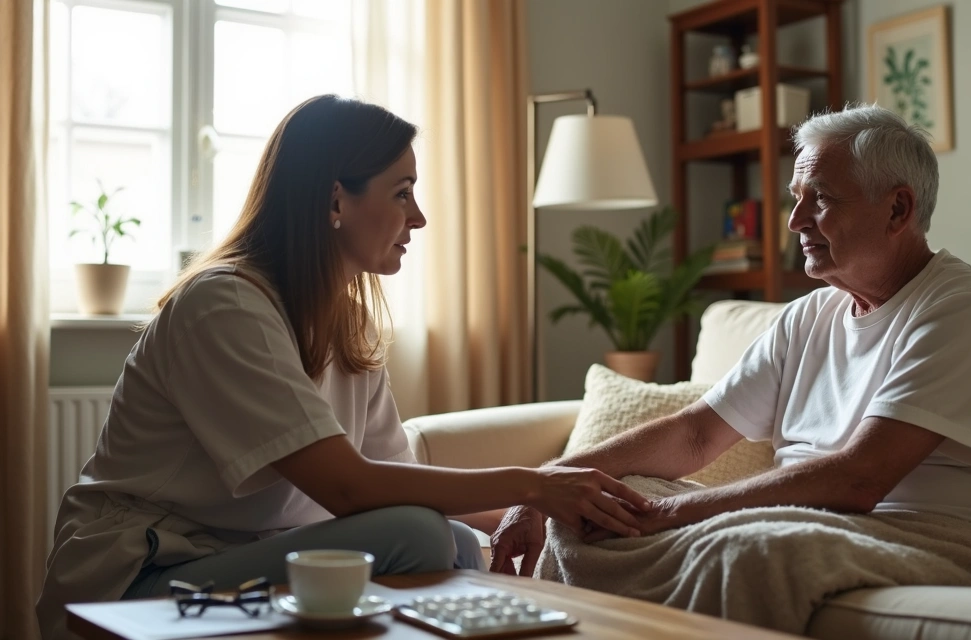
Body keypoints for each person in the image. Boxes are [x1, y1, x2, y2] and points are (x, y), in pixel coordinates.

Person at [37, 95, 650, 640]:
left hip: (240, 560)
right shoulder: (223, 305)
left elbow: (395, 477)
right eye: (402, 192)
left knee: (455, 537)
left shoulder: (347, 320)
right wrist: (534, 482)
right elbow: (350, 487)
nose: (420, 218)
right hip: (142, 578)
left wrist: (546, 512)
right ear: (336, 198)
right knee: (419, 537)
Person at [491, 104, 971, 577]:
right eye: (796, 197)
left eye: (822, 200)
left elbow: (859, 478)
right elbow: (694, 436)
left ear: (898, 208)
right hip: (824, 520)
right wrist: (543, 486)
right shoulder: (808, 316)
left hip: (949, 534)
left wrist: (673, 513)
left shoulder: (961, 307)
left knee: (734, 545)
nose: (795, 221)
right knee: (595, 507)